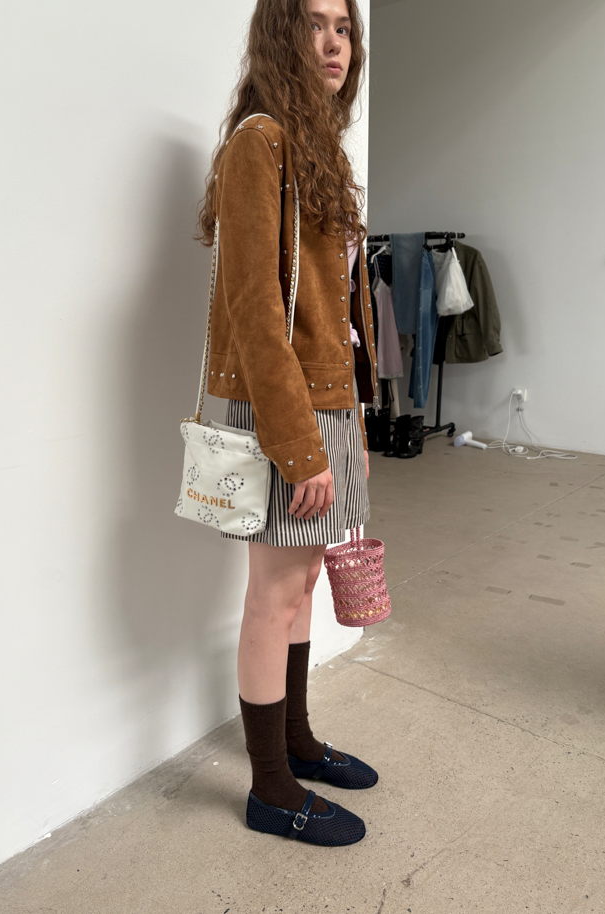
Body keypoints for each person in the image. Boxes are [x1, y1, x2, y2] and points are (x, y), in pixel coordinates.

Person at [196, 0, 378, 846]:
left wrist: (354, 427)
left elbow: (339, 314)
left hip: (322, 399)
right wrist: (303, 446)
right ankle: (270, 788)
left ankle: (297, 741)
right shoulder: (260, 142)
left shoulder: (318, 148)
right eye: (315, 24)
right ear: (281, 35)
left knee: (302, 582)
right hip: (280, 405)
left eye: (344, 27)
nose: (334, 43)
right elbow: (256, 309)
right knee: (273, 593)